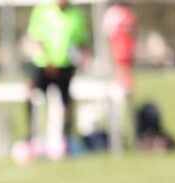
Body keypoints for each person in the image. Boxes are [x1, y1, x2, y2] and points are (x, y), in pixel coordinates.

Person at [25, 0, 91, 143]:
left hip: (66, 66)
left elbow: (82, 41)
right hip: (43, 65)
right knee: (33, 95)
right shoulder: (42, 10)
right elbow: (36, 38)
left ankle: (66, 137)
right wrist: (49, 62)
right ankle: (32, 135)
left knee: (66, 102)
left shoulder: (77, 13)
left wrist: (83, 58)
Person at [102, 0, 137, 95]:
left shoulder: (129, 13)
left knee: (126, 75)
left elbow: (132, 32)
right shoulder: (113, 13)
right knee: (119, 72)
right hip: (117, 50)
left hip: (127, 50)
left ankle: (126, 92)